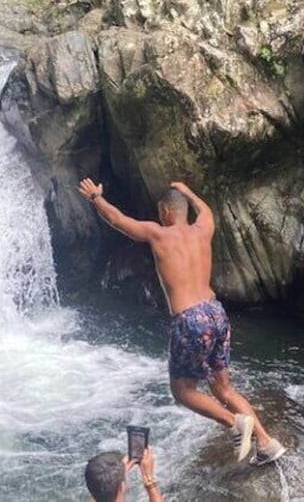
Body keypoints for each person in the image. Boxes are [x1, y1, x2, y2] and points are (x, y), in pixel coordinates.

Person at [77, 178, 287, 465]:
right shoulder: (204, 227)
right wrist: (188, 192)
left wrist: (96, 198)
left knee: (183, 391)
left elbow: (118, 220)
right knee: (223, 388)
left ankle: (234, 423)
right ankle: (265, 442)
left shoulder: (158, 234)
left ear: (164, 211)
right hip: (216, 312)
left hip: (190, 319)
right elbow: (205, 209)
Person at [85, 448, 164, 502]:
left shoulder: (96, 493)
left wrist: (119, 472)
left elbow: (98, 492)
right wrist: (149, 479)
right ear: (122, 486)